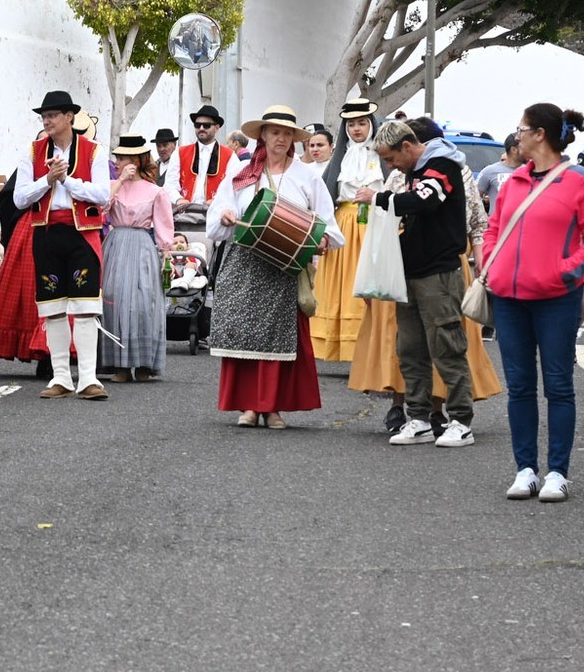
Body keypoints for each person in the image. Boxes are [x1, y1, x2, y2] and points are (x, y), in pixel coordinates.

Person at [480, 104, 584, 501]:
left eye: (522, 129)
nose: (516, 135)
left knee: (558, 385)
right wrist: (491, 264)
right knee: (519, 387)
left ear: (541, 135)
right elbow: (492, 230)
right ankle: (525, 469)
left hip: (556, 299)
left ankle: (557, 472)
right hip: (508, 299)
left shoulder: (580, 180)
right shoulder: (512, 182)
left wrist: (566, 271)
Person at [206, 107, 341, 429]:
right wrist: (226, 214)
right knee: (243, 334)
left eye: (287, 134)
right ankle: (250, 406)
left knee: (277, 336)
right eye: (274, 132)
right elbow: (218, 214)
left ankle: (273, 407)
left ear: (294, 139)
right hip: (245, 262)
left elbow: (328, 225)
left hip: (283, 265)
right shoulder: (241, 172)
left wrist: (320, 241)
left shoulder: (307, 175)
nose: (281, 138)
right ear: (262, 135)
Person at [357, 119, 488, 448]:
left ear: (407, 146)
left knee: (447, 347)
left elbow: (426, 199)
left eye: (391, 158)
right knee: (410, 350)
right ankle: (418, 418)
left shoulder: (443, 164)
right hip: (410, 274)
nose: (391, 166)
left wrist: (380, 198)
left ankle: (461, 420)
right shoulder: (414, 171)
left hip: (439, 274)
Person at [13, 91, 113, 400]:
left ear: (70, 117)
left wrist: (66, 179)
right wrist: (47, 180)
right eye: (44, 116)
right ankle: (60, 377)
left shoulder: (94, 151)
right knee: (53, 308)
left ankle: (87, 378)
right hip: (46, 234)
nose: (47, 120)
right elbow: (19, 198)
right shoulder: (32, 151)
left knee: (85, 306)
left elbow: (102, 195)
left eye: (53, 114)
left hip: (82, 234)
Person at [312, 98, 381, 369]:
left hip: (374, 222)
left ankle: (368, 348)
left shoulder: (380, 155)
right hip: (344, 222)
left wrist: (375, 196)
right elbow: (328, 195)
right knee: (340, 285)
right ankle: (339, 345)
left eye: (362, 123)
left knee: (367, 284)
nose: (356, 129)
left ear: (371, 125)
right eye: (351, 124)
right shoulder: (341, 157)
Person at [100, 134, 174, 383]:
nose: (117, 162)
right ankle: (119, 364)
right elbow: (101, 208)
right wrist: (119, 181)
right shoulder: (113, 184)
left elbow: (164, 225)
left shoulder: (156, 191)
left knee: (143, 302)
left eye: (122, 158)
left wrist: (166, 255)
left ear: (136, 160)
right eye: (117, 157)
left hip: (142, 245)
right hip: (116, 243)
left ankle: (143, 363)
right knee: (114, 298)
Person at [174, 106, 230, 213]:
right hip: (185, 215)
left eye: (206, 125)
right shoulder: (180, 152)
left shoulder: (229, 156)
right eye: (197, 125)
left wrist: (217, 200)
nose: (201, 128)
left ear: (217, 128)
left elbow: (232, 188)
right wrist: (179, 199)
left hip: (215, 214)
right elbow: (170, 184)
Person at [476, 134, 519, 216]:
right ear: (514, 150)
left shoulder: (531, 171)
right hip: (497, 225)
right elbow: (473, 198)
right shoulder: (489, 171)